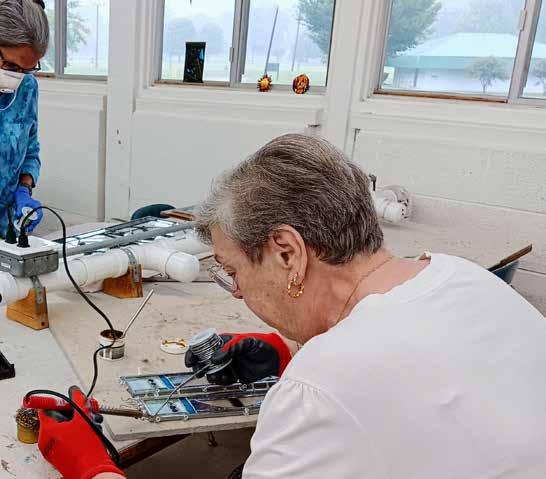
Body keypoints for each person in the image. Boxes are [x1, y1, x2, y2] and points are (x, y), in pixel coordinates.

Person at [37, 134, 546, 479]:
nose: (236, 292)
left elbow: (352, 385)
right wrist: (287, 353)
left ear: (287, 253)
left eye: (233, 271)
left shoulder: (320, 389)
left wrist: (95, 470)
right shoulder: (464, 277)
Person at [0, 0, 48, 237]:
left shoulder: (27, 88)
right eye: (10, 65)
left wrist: (24, 190)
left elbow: (30, 148)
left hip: (5, 226)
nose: (17, 77)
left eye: (27, 69)